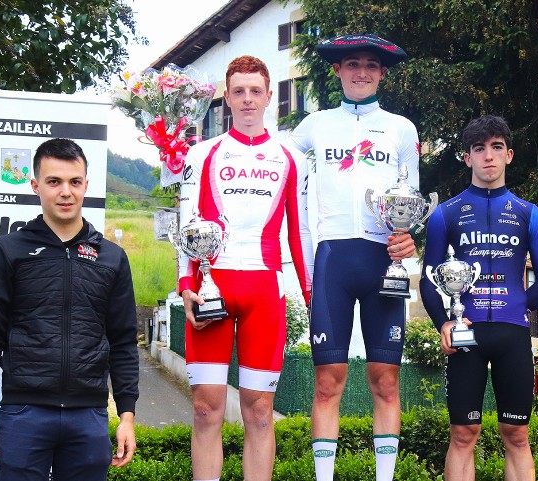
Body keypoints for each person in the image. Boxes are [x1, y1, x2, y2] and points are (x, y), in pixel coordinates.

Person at [0, 138, 139, 480]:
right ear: (35, 186)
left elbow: (123, 342)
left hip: (88, 416)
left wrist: (127, 415)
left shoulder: (112, 258)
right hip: (24, 413)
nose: (65, 192)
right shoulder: (8, 250)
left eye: (74, 182)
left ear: (86, 185)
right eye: (54, 181)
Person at [289, 33, 419, 481]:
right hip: (333, 260)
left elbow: (412, 199)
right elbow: (273, 162)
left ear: (382, 72)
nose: (361, 71)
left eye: (370, 64)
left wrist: (408, 238)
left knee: (385, 379)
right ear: (337, 71)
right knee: (328, 381)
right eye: (352, 64)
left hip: (385, 260)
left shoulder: (402, 128)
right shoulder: (314, 125)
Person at [178, 55, 314, 481]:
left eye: (256, 91)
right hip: (210, 289)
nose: (248, 99)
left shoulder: (291, 157)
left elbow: (300, 235)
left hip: (264, 292)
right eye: (239, 91)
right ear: (227, 97)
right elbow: (186, 227)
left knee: (258, 412)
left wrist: (313, 299)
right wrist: (186, 284)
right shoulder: (201, 155)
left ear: (270, 96)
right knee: (205, 409)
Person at [419, 115, 538, 481]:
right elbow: (428, 279)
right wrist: (445, 322)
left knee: (517, 435)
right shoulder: (445, 214)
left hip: (513, 335)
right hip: (467, 334)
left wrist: (517, 305)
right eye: (479, 149)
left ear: (509, 155)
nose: (488, 157)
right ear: (467, 158)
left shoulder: (530, 214)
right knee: (463, 434)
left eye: (497, 147)